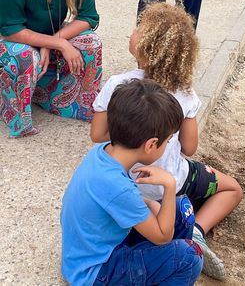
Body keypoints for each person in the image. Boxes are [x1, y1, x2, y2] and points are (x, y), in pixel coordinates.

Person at [91, 2, 243, 280]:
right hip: (171, 180)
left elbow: (97, 135)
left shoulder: (117, 85)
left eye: (139, 28)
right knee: (232, 189)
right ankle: (197, 230)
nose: (133, 31)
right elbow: (189, 147)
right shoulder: (185, 95)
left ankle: (182, 227)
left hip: (127, 185)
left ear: (147, 47)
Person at [61, 79, 203, 286]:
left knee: (183, 210)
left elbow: (114, 202)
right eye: (168, 140)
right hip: (96, 272)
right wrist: (170, 185)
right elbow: (162, 237)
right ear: (151, 144)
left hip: (96, 251)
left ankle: (161, 268)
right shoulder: (116, 185)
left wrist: (150, 204)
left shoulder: (103, 154)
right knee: (189, 258)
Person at [0, 0, 102, 138]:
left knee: (90, 42)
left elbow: (89, 17)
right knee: (26, 55)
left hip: (43, 40)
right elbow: (10, 29)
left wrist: (55, 40)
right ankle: (14, 109)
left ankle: (73, 101)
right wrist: (57, 43)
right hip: (10, 44)